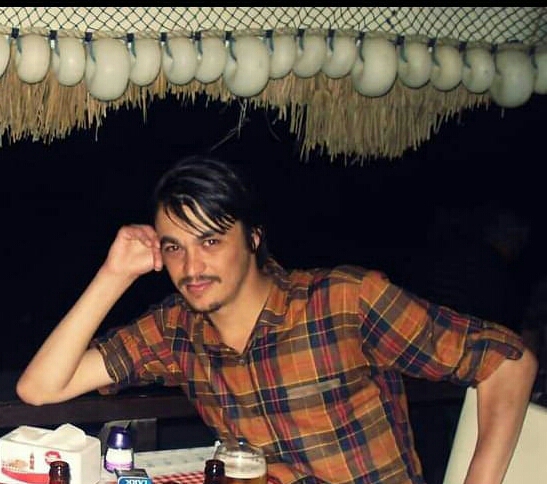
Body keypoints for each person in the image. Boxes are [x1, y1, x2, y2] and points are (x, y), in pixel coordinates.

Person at [17, 155, 537, 484]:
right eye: (175, 247)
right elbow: (40, 387)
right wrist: (114, 274)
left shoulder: (343, 301)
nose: (191, 267)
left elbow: (508, 360)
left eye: (210, 241)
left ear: (253, 238)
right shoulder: (177, 330)